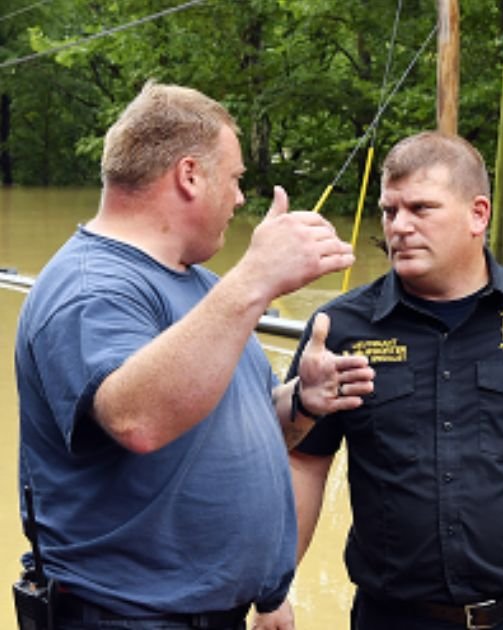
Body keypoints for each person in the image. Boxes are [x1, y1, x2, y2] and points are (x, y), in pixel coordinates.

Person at [14, 81, 374, 630]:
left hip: (214, 611)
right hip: (125, 616)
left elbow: (229, 432)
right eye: (233, 180)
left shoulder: (204, 288)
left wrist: (303, 401)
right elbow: (138, 420)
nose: (237, 199)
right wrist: (254, 279)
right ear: (188, 175)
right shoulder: (91, 286)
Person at [286, 131, 503, 629]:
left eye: (421, 209)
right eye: (390, 211)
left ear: (479, 214)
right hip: (394, 617)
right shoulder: (339, 329)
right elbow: (304, 463)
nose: (399, 227)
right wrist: (275, 586)